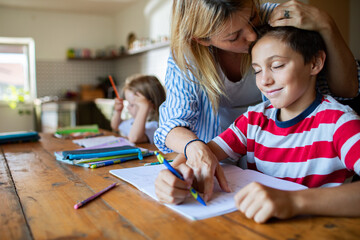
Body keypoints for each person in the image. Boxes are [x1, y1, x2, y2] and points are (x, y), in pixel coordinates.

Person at [154, 0, 360, 200]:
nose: (253, 35)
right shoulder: (252, 121)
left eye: (277, 65)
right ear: (203, 39)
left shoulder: (340, 125)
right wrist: (176, 175)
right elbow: (199, 148)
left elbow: (348, 87)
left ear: (315, 63)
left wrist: (296, 203)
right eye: (256, 70)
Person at [110, 74, 166, 144]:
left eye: (132, 105)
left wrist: (143, 107)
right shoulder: (132, 121)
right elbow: (115, 126)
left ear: (150, 106)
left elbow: (134, 138)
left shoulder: (155, 127)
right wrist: (118, 111)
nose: (127, 107)